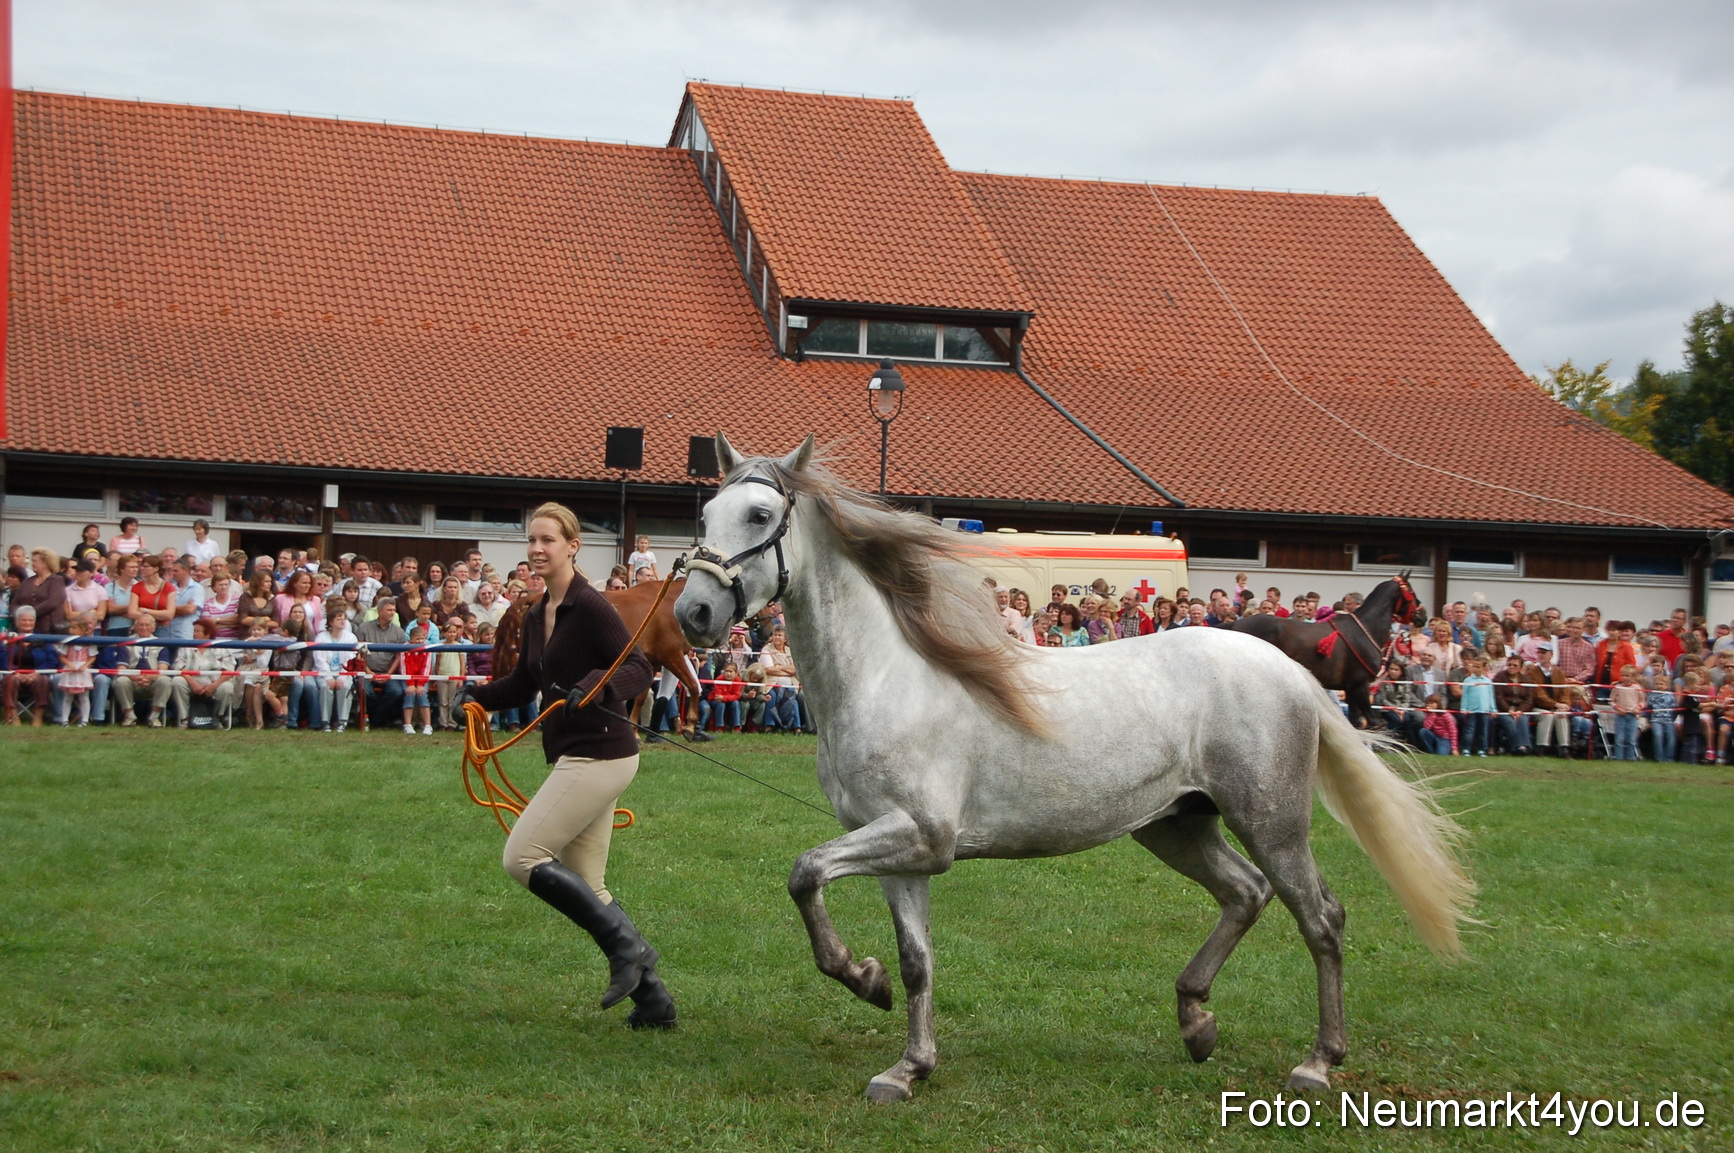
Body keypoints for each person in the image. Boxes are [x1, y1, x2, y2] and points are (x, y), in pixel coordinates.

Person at [464, 501, 672, 1030]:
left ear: (572, 547)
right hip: (580, 754)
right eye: (532, 540)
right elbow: (525, 683)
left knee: (523, 857)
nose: (537, 549)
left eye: (548, 540)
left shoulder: (592, 606)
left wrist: (596, 684)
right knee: (589, 884)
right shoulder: (539, 613)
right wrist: (478, 697)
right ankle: (655, 1003)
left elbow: (638, 668)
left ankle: (628, 952)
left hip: (602, 754)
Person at [355, 594, 408, 729]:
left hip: (388, 672)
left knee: (396, 691)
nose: (392, 613)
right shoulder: (364, 628)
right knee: (366, 692)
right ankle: (376, 719)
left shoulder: (399, 632)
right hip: (366, 672)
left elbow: (399, 656)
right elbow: (358, 654)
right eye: (389, 610)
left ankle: (376, 719)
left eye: (394, 610)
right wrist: (368, 672)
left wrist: (388, 674)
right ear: (380, 611)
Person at [313, 601, 358, 733]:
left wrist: (342, 677)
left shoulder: (351, 638)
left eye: (344, 618)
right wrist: (328, 677)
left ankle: (342, 721)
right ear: (331, 622)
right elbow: (320, 660)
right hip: (324, 673)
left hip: (344, 673)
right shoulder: (321, 637)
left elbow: (350, 660)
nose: (342, 621)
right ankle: (325, 721)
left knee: (345, 687)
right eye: (338, 618)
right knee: (325, 687)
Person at [15, 549, 68, 634]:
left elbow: (53, 602)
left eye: (35, 561)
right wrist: (20, 616)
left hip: (48, 629)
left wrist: (31, 614)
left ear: (45, 563)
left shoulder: (56, 580)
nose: (32, 564)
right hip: (26, 630)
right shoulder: (27, 582)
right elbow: (15, 602)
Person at [1457, 657, 1495, 757]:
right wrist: (1463, 708)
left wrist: (1493, 709)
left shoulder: (1488, 681)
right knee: (1469, 730)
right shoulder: (1467, 680)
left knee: (1483, 730)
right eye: (1474, 666)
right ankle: (1466, 748)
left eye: (1478, 667)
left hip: (1484, 710)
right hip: (1471, 710)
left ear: (1484, 668)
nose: (1475, 669)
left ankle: (1482, 749)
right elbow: (1465, 695)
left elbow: (1491, 696)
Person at [402, 625, 434, 735]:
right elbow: (405, 667)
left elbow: (427, 667)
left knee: (422, 694)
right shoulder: (404, 648)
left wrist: (420, 684)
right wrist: (411, 683)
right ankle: (408, 724)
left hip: (422, 678)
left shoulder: (427, 648)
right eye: (417, 639)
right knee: (409, 693)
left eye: (422, 639)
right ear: (411, 639)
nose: (420, 641)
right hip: (408, 678)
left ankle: (428, 725)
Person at [1609, 664, 1646, 761]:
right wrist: (1618, 708)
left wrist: (1638, 708)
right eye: (1623, 675)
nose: (1624, 678)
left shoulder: (1637, 687)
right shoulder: (1617, 687)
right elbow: (1611, 701)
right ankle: (1618, 758)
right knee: (1619, 739)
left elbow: (1642, 701)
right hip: (1620, 716)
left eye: (1627, 675)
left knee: (1631, 739)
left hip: (1632, 716)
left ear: (1633, 677)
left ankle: (1630, 758)